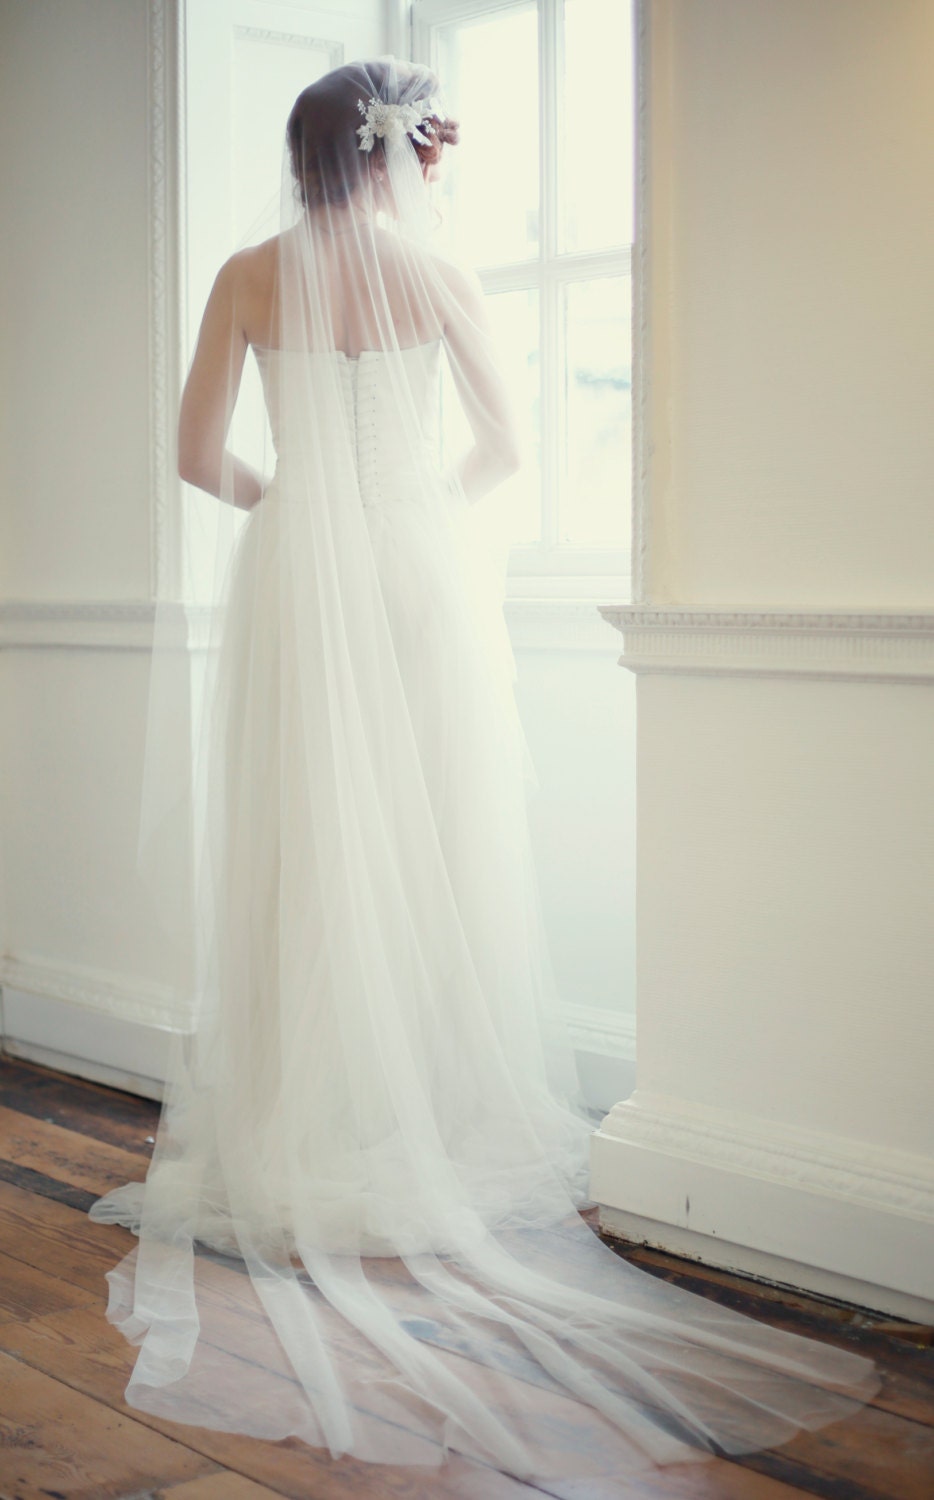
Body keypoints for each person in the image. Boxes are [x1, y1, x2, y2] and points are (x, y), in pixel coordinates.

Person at [88, 57, 882, 1483]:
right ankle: (419, 1124)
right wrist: (402, 519)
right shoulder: (438, 277)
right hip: (412, 573)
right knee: (431, 833)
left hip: (300, 573)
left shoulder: (246, 272)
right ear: (400, 156)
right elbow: (505, 447)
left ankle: (295, 1123)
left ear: (303, 152)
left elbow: (200, 457)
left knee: (304, 837)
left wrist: (306, 515)